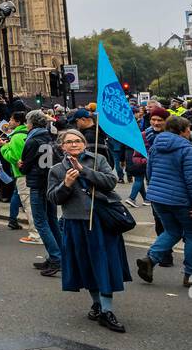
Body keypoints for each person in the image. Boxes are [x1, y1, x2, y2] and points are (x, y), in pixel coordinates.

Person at [47, 128, 130, 333]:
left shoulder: (98, 160)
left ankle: (107, 311)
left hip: (102, 222)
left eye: (78, 141)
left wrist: (85, 172)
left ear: (84, 143)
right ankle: (97, 303)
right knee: (87, 266)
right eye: (69, 142)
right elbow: (53, 198)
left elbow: (111, 182)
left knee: (105, 265)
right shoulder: (56, 169)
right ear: (62, 146)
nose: (74, 144)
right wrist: (66, 184)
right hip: (75, 222)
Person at [137, 115, 192, 289]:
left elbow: (149, 172)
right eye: (188, 129)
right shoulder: (186, 148)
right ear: (181, 131)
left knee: (172, 231)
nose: (190, 132)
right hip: (181, 200)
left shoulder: (155, 146)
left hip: (158, 197)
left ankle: (150, 259)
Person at [19, 110, 63, 275]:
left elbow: (25, 165)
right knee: (52, 220)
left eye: (27, 121)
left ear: (31, 123)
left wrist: (20, 164)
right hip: (50, 182)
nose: (26, 124)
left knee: (41, 223)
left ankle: (56, 257)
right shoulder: (50, 138)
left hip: (37, 183)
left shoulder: (31, 141)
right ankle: (59, 255)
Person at [0, 110, 30, 232]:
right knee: (18, 195)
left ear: (17, 122)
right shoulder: (26, 133)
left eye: (11, 119)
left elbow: (15, 158)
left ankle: (14, 220)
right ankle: (13, 220)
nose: (9, 122)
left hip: (21, 173)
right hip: (28, 172)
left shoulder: (17, 136)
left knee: (21, 198)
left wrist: (4, 147)